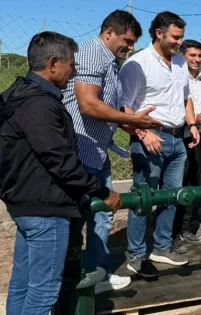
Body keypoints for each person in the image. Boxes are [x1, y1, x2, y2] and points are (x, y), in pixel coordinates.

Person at [0, 31, 121, 315]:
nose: (74, 72)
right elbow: (61, 162)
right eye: (72, 65)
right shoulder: (39, 105)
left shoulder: (17, 96)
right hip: (46, 208)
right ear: (54, 63)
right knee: (43, 292)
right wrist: (103, 191)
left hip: (24, 202)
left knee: (23, 283)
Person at [62, 9, 161, 294]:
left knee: (102, 215)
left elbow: (106, 110)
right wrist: (133, 120)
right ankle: (70, 285)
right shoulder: (94, 55)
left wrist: (133, 126)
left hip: (96, 151)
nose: (130, 48)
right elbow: (88, 105)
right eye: (127, 41)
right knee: (76, 221)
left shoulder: (111, 61)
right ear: (108, 33)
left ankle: (98, 275)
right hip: (81, 152)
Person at [118, 11, 199, 278]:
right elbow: (124, 106)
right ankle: (137, 254)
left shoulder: (179, 64)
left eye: (181, 37)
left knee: (172, 197)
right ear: (159, 33)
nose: (179, 43)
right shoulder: (137, 64)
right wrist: (142, 133)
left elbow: (186, 98)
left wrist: (192, 125)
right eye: (175, 37)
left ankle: (162, 247)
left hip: (177, 139)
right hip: (150, 139)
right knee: (144, 198)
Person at [172, 40, 201, 251]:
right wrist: (194, 119)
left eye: (200, 55)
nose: (197, 59)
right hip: (179, 138)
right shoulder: (175, 78)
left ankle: (186, 229)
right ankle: (171, 233)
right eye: (193, 55)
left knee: (192, 183)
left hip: (197, 140)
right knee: (176, 184)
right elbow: (172, 109)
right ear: (182, 56)